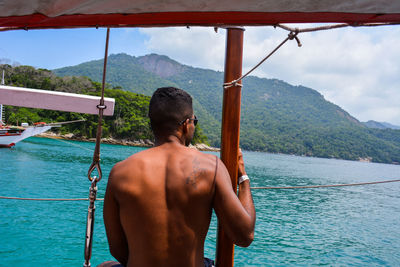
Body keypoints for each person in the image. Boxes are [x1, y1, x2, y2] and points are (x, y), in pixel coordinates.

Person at [101, 87, 255, 267]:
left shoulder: (120, 172)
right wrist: (242, 178)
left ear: (152, 125)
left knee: (104, 265)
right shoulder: (211, 167)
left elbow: (117, 248)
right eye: (194, 122)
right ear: (186, 124)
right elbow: (245, 236)